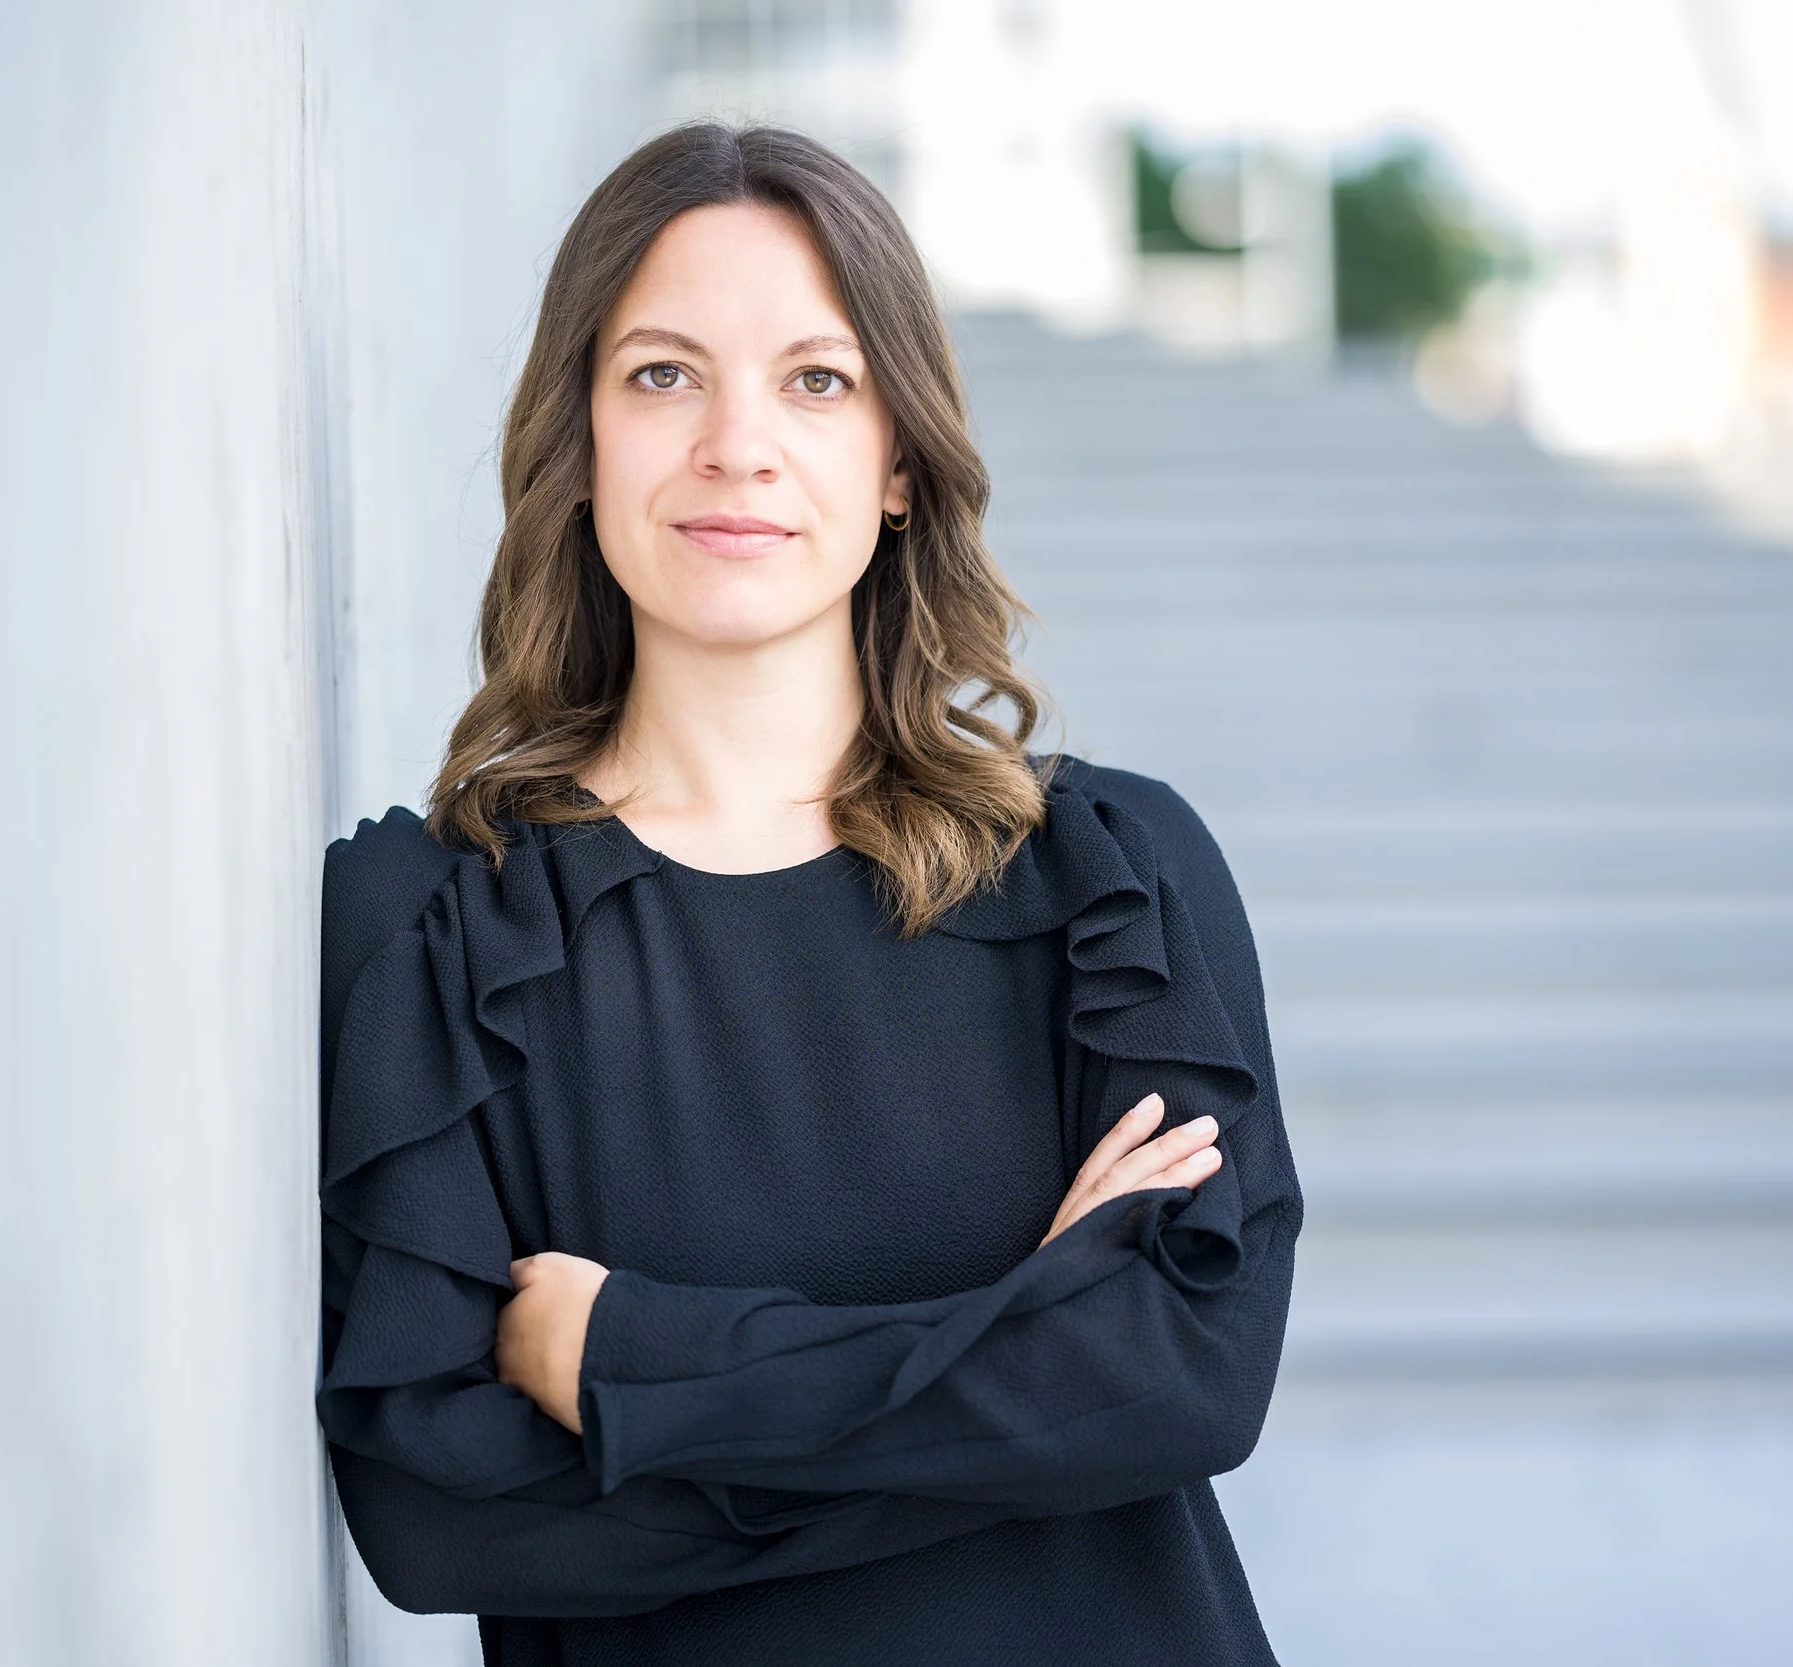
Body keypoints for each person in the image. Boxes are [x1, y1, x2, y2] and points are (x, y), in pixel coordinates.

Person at [317, 121, 1301, 1666]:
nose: (736, 445)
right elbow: (447, 1520)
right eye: (661, 374)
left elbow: (1189, 1378)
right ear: (580, 440)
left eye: (816, 379)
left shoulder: (1114, 883)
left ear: (899, 461)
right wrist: (1023, 1374)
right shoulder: (439, 935)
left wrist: (643, 1363)